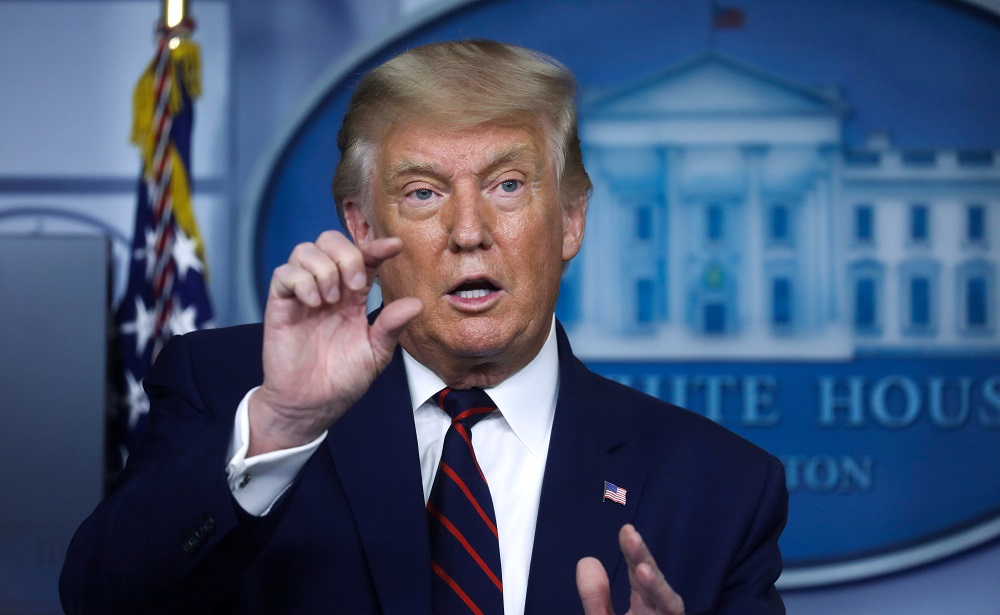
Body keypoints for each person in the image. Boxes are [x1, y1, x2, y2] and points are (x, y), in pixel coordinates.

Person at [60, 39, 787, 614]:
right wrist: (282, 424)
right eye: (422, 191)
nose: (468, 231)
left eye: (507, 185)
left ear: (570, 219)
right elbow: (99, 598)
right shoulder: (226, 390)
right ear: (362, 225)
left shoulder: (720, 486)